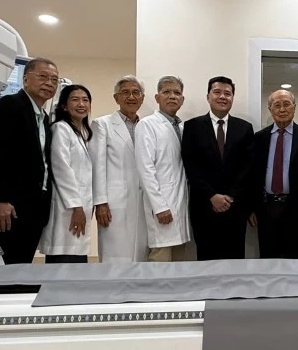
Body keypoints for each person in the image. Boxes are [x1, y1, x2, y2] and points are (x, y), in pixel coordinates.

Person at [0, 57, 59, 264]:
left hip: (32, 210)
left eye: (54, 80)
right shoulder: (10, 105)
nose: (49, 83)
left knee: (21, 266)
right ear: (26, 79)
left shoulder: (44, 118)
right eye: (43, 77)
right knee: (6, 271)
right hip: (7, 209)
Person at [181, 76, 254, 260]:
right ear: (208, 96)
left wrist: (229, 196)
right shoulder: (192, 126)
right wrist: (212, 196)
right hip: (204, 207)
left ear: (232, 98)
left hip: (235, 208)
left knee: (234, 258)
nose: (223, 97)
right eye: (217, 92)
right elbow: (190, 166)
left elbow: (247, 167)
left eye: (227, 93)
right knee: (206, 258)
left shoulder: (244, 128)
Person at [249, 88, 298, 259]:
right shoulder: (259, 138)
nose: (282, 109)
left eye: (287, 104)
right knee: (267, 256)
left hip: (295, 209)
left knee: (293, 257)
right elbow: (252, 175)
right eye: (277, 105)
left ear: (294, 107)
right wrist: (251, 208)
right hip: (266, 208)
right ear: (269, 109)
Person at [91, 75, 149, 263]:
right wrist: (100, 202)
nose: (131, 97)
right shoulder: (103, 124)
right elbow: (97, 165)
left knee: (141, 253)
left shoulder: (147, 126)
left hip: (142, 200)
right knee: (114, 254)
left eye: (136, 92)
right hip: (114, 201)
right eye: (125, 93)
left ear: (142, 98)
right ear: (116, 98)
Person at [136, 76, 191, 261]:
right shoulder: (147, 124)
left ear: (182, 99)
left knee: (178, 260)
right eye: (166, 92)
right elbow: (145, 168)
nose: (172, 96)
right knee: (161, 259)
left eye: (177, 93)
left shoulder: (182, 127)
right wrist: (159, 206)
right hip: (162, 206)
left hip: (180, 204)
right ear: (157, 97)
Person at [39, 84, 95, 263]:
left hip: (79, 206)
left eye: (85, 100)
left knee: (76, 258)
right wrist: (76, 207)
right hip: (68, 207)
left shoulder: (81, 133)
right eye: (75, 99)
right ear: (64, 106)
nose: (81, 104)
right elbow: (62, 170)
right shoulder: (61, 129)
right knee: (64, 261)